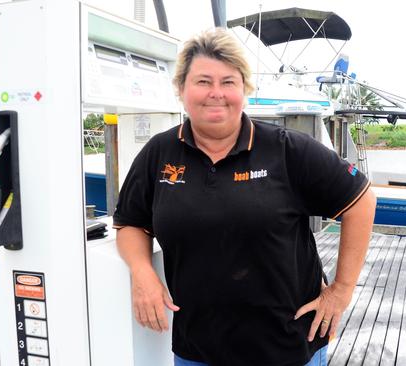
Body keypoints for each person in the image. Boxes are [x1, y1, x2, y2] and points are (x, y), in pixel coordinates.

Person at [113, 28, 376, 366]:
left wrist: (341, 290)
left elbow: (361, 201)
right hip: (197, 350)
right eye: (203, 81)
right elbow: (131, 223)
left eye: (228, 82)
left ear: (244, 90)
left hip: (285, 348)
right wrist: (142, 272)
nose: (216, 93)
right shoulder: (159, 153)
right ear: (181, 89)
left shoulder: (285, 149)